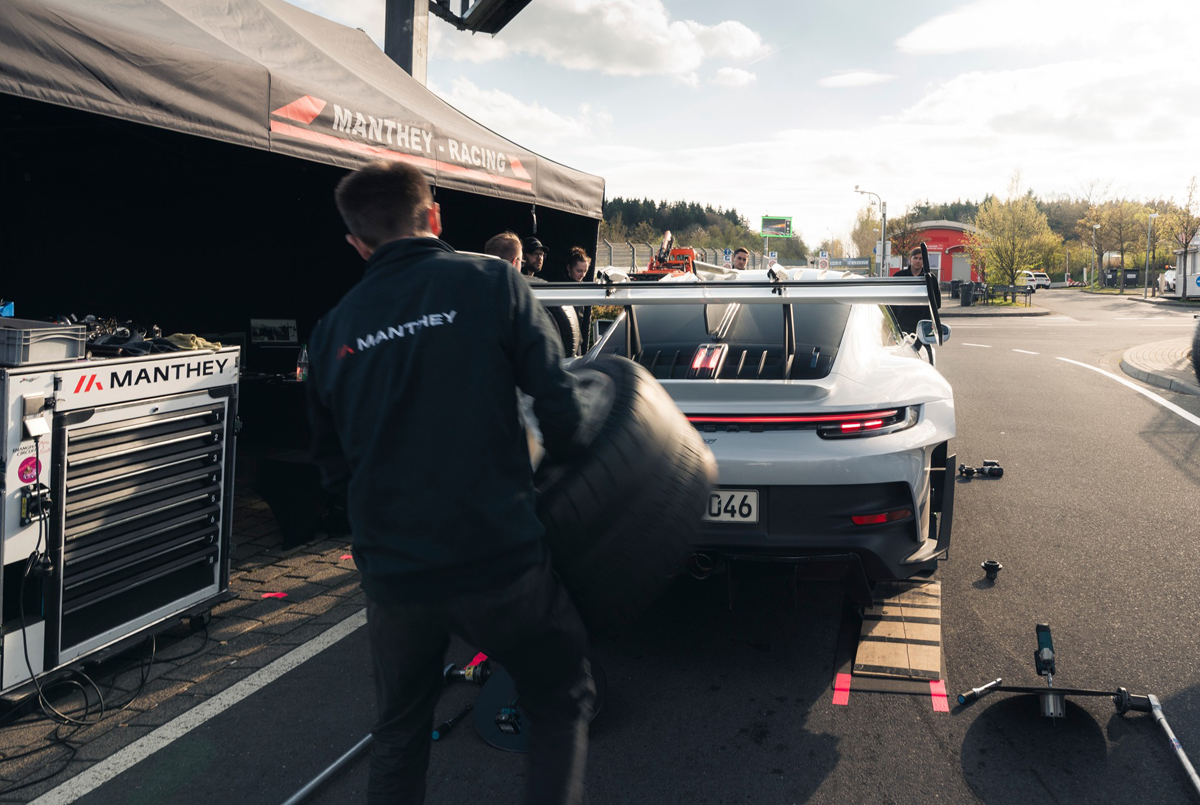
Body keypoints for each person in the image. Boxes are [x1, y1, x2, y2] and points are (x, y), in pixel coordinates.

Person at [306, 161, 595, 805]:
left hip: (395, 575)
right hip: (497, 558)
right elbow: (564, 414)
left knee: (398, 733)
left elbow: (329, 470)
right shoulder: (492, 282)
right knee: (560, 696)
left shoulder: (331, 332)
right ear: (435, 217)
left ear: (356, 243)